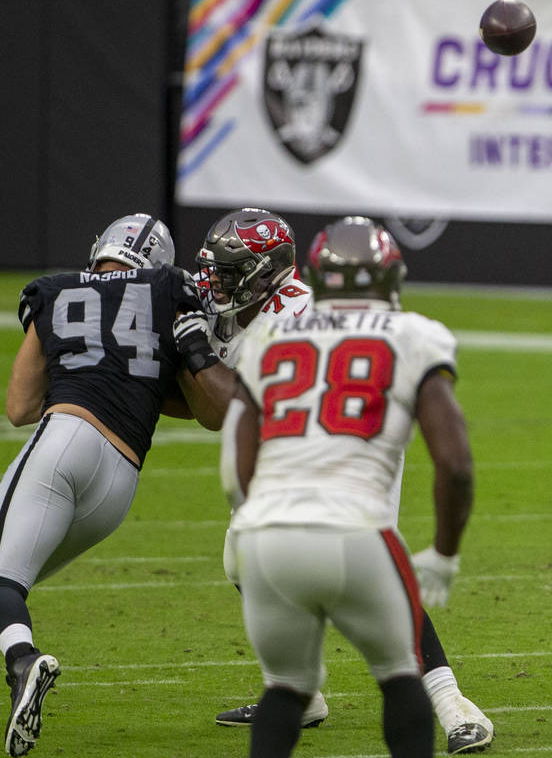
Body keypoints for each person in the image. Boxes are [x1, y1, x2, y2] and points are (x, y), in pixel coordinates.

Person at [195, 209, 493, 755]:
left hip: (278, 513)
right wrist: (445, 553)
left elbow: (232, 432)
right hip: (353, 499)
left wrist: (251, 505)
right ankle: (434, 706)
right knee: (394, 655)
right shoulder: (413, 332)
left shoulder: (280, 330)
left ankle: (449, 703)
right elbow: (455, 461)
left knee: (251, 580)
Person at [0, 214, 228, 757]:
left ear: (99, 247)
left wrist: (82, 362)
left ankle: (23, 662)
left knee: (3, 577)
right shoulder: (171, 289)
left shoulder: (55, 291)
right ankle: (16, 649)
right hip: (119, 481)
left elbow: (19, 408)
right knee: (9, 584)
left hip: (66, 438)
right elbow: (207, 411)